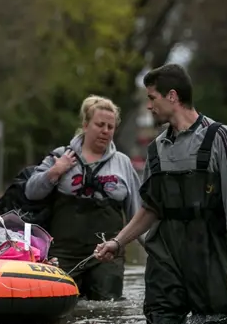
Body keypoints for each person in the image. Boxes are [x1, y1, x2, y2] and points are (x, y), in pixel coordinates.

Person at [93, 63, 227, 324]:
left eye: (151, 97)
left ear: (172, 96)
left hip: (210, 255)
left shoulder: (221, 137)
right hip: (165, 256)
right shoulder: (157, 148)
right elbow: (150, 208)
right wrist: (117, 242)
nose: (149, 106)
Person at [25, 95, 142, 300]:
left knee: (107, 311)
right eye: (100, 124)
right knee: (62, 307)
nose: (105, 131)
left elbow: (138, 214)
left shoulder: (123, 163)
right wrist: (54, 172)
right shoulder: (60, 156)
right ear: (86, 125)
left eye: (110, 126)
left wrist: (158, 251)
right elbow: (31, 192)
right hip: (63, 254)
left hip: (107, 255)